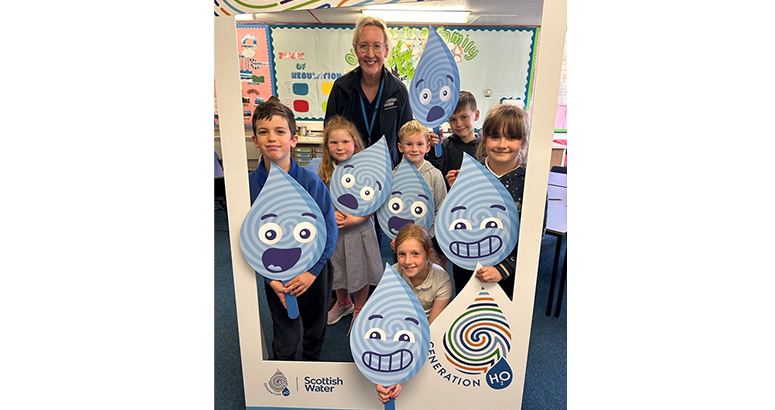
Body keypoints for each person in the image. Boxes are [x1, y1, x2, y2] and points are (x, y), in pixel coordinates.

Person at [247, 101, 337, 361]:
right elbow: (249, 238)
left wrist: (312, 272)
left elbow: (329, 231)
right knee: (285, 334)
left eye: (279, 131)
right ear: (254, 139)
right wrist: (270, 279)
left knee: (314, 326)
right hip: (274, 272)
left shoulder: (310, 182)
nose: (272, 138)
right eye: (263, 132)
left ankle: (310, 366)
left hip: (314, 271)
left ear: (294, 139)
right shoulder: (250, 186)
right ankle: (283, 378)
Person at [447, 103, 546, 298]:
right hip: (467, 265)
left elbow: (534, 234)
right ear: (484, 137)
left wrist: (503, 268)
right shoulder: (472, 173)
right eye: (495, 137)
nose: (502, 144)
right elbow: (458, 219)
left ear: (524, 141)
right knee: (466, 315)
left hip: (506, 271)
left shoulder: (531, 182)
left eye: (511, 137)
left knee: (498, 322)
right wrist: (455, 192)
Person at [318, 115, 384, 331]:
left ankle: (360, 306)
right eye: (334, 142)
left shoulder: (365, 168)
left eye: (345, 141)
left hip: (360, 229)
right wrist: (330, 216)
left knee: (360, 269)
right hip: (336, 233)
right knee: (339, 269)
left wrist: (357, 218)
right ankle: (344, 302)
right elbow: (321, 200)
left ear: (355, 143)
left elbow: (375, 199)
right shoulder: (326, 170)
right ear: (327, 146)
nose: (340, 147)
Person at [376, 224, 452, 404]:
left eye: (415, 254)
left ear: (428, 253)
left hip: (426, 332)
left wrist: (404, 371)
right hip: (398, 328)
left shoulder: (442, 281)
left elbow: (432, 330)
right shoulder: (393, 274)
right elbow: (386, 319)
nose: (408, 261)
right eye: (402, 254)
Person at [324, 15, 413, 169]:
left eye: (377, 46)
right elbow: (329, 136)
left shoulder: (398, 91)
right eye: (364, 46)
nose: (370, 54)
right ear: (355, 49)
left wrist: (426, 139)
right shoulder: (341, 88)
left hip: (389, 177)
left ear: (385, 50)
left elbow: (408, 137)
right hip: (349, 177)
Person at [393, 120, 448, 269]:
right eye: (409, 144)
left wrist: (425, 236)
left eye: (419, 144)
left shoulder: (435, 175)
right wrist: (395, 236)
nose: (414, 149)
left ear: (428, 147)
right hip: (401, 241)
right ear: (400, 147)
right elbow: (388, 212)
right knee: (404, 277)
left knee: (430, 276)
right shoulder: (393, 176)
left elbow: (441, 209)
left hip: (429, 240)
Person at [427, 91, 481, 190]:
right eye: (453, 119)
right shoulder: (444, 147)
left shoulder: (485, 148)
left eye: (464, 117)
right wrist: (433, 149)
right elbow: (434, 177)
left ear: (476, 115)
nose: (459, 124)